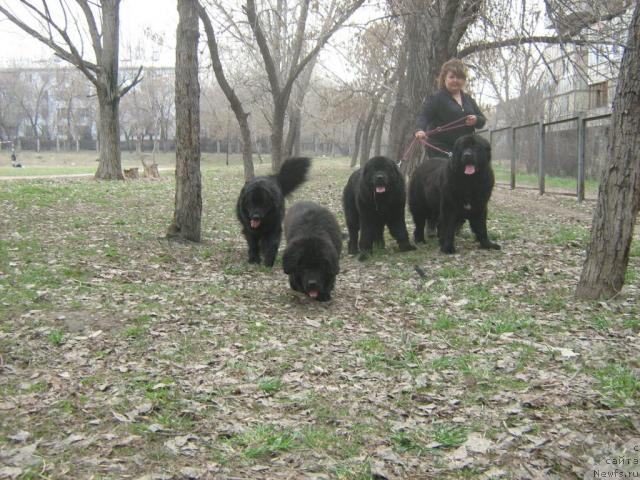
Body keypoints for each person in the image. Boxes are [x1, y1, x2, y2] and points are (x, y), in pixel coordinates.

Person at [414, 58, 486, 153]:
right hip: (441, 149)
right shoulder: (436, 98)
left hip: (465, 150)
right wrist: (419, 130)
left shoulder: (468, 99)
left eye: (459, 77)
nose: (455, 80)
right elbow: (423, 117)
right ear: (444, 79)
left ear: (464, 80)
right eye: (451, 77)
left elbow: (482, 120)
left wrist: (476, 119)